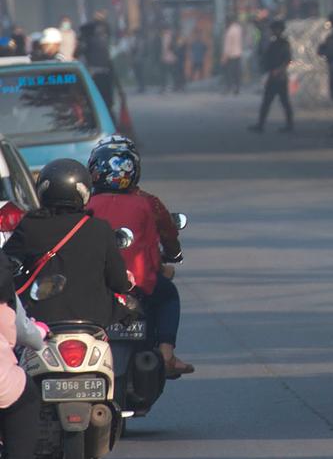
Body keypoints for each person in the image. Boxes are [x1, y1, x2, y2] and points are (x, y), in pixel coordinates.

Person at [85, 140, 193, 378]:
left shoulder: (85, 203)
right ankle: (167, 355)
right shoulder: (146, 203)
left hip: (94, 283)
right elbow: (157, 244)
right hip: (138, 283)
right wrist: (163, 268)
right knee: (168, 295)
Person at [2, 158, 132, 328]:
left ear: (42, 191)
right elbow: (118, 282)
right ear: (84, 192)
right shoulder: (100, 229)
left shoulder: (30, 226)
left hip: (39, 322)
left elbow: (4, 268)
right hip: (92, 322)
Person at [0, 254, 40, 459]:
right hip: (5, 386)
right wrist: (41, 334)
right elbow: (27, 333)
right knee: (27, 398)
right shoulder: (6, 298)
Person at [250, 19, 293, 132]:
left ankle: (289, 125)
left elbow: (287, 60)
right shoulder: (273, 43)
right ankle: (261, 124)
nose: (273, 31)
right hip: (273, 76)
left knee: (283, 102)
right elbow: (266, 58)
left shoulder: (284, 44)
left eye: (275, 29)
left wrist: (279, 71)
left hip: (280, 77)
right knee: (267, 102)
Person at [77, 11, 116, 112]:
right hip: (100, 75)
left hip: (98, 75)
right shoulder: (95, 41)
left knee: (98, 103)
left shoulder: (95, 41)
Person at [221, 17, 245, 95]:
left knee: (229, 73)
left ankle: (229, 87)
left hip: (231, 55)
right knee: (237, 72)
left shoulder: (229, 31)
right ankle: (237, 88)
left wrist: (224, 56)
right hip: (238, 53)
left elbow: (227, 45)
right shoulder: (239, 29)